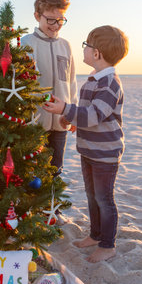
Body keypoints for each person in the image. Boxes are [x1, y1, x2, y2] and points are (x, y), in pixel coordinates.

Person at [44, 25, 129, 262]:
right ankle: (95, 235)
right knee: (92, 196)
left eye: (87, 46)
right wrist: (71, 118)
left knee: (104, 199)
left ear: (97, 53)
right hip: (89, 150)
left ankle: (108, 244)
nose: (84, 49)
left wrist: (65, 108)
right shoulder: (93, 79)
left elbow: (93, 115)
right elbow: (85, 114)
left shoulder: (110, 82)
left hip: (105, 153)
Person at [21, 0, 78, 225]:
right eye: (50, 20)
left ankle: (51, 211)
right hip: (34, 121)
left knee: (56, 168)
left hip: (61, 121)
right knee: (32, 170)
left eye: (60, 20)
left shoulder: (66, 45)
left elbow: (71, 81)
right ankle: (29, 212)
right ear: (37, 15)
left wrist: (72, 112)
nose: (55, 25)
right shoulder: (25, 43)